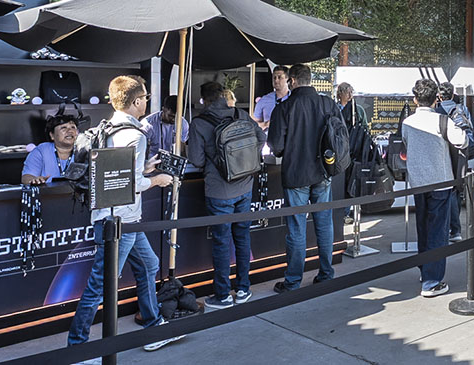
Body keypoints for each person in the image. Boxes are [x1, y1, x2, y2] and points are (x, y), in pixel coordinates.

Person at [67, 76, 182, 352]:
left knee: (149, 265)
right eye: (144, 98)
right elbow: (132, 186)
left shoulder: (107, 128)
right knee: (100, 285)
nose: (146, 102)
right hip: (121, 220)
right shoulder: (135, 135)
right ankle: (77, 348)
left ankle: (153, 328)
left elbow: (115, 175)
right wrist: (158, 179)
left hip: (115, 217)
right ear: (136, 101)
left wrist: (144, 168)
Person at [187, 81, 267, 309]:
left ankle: (222, 295)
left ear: (204, 100)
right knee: (242, 238)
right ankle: (243, 289)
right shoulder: (240, 113)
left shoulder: (199, 123)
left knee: (221, 243)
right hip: (245, 186)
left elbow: (196, 160)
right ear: (223, 95)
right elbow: (261, 138)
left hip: (219, 190)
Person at [268, 63, 337, 292]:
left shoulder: (284, 108)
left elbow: (276, 147)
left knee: (296, 229)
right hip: (324, 172)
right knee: (324, 224)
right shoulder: (328, 104)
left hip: (296, 175)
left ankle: (293, 281)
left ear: (293, 81)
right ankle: (327, 274)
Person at [401, 78, 467, 298]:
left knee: (423, 228)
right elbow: (463, 141)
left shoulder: (407, 122)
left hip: (417, 183)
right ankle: (432, 281)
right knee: (438, 232)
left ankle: (425, 270)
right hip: (440, 181)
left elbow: (406, 145)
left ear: (415, 99)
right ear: (436, 99)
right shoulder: (443, 121)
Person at [436, 82, 474, 242]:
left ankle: (446, 228)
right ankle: (456, 230)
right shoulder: (463, 109)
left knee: (444, 189)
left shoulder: (436, 112)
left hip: (443, 154)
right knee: (457, 190)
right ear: (452, 95)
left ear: (439, 96)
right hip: (461, 153)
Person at [336, 81, 369, 224]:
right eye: (347, 92)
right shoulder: (334, 109)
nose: (350, 95)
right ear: (340, 94)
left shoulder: (358, 110)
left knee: (350, 183)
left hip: (354, 152)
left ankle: (346, 212)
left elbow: (365, 128)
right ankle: (338, 212)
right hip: (339, 152)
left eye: (351, 92)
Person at [21, 113, 79, 185]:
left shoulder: (85, 150)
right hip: (47, 194)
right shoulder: (41, 150)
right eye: (63, 128)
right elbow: (26, 177)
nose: (70, 131)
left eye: (73, 127)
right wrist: (34, 180)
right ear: (52, 135)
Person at [253, 65, 290, 130]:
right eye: (274, 77)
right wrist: (265, 124)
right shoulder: (264, 100)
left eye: (279, 77)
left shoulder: (294, 98)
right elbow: (254, 124)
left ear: (288, 79)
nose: (276, 80)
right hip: (269, 138)